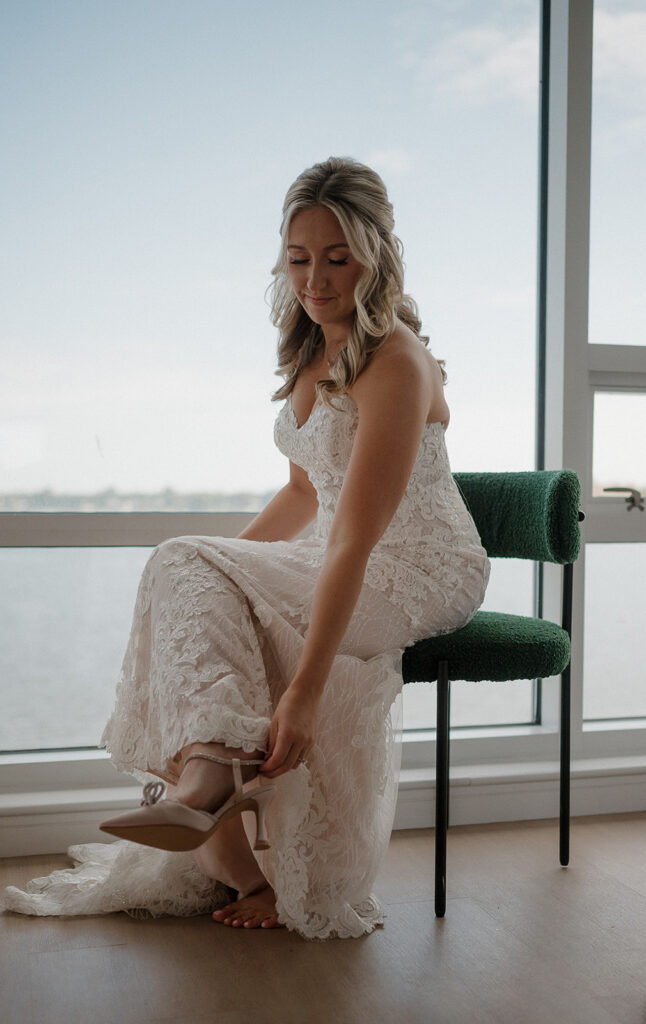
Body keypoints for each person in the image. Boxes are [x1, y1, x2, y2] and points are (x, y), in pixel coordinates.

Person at [3, 157, 489, 939]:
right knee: (182, 569)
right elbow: (303, 496)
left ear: (376, 256)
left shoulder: (396, 362)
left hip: (416, 568)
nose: (316, 278)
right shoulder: (310, 354)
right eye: (299, 258)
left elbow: (355, 539)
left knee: (187, 564)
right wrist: (209, 582)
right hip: (341, 553)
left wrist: (301, 692)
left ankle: (211, 793)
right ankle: (219, 808)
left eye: (338, 257)